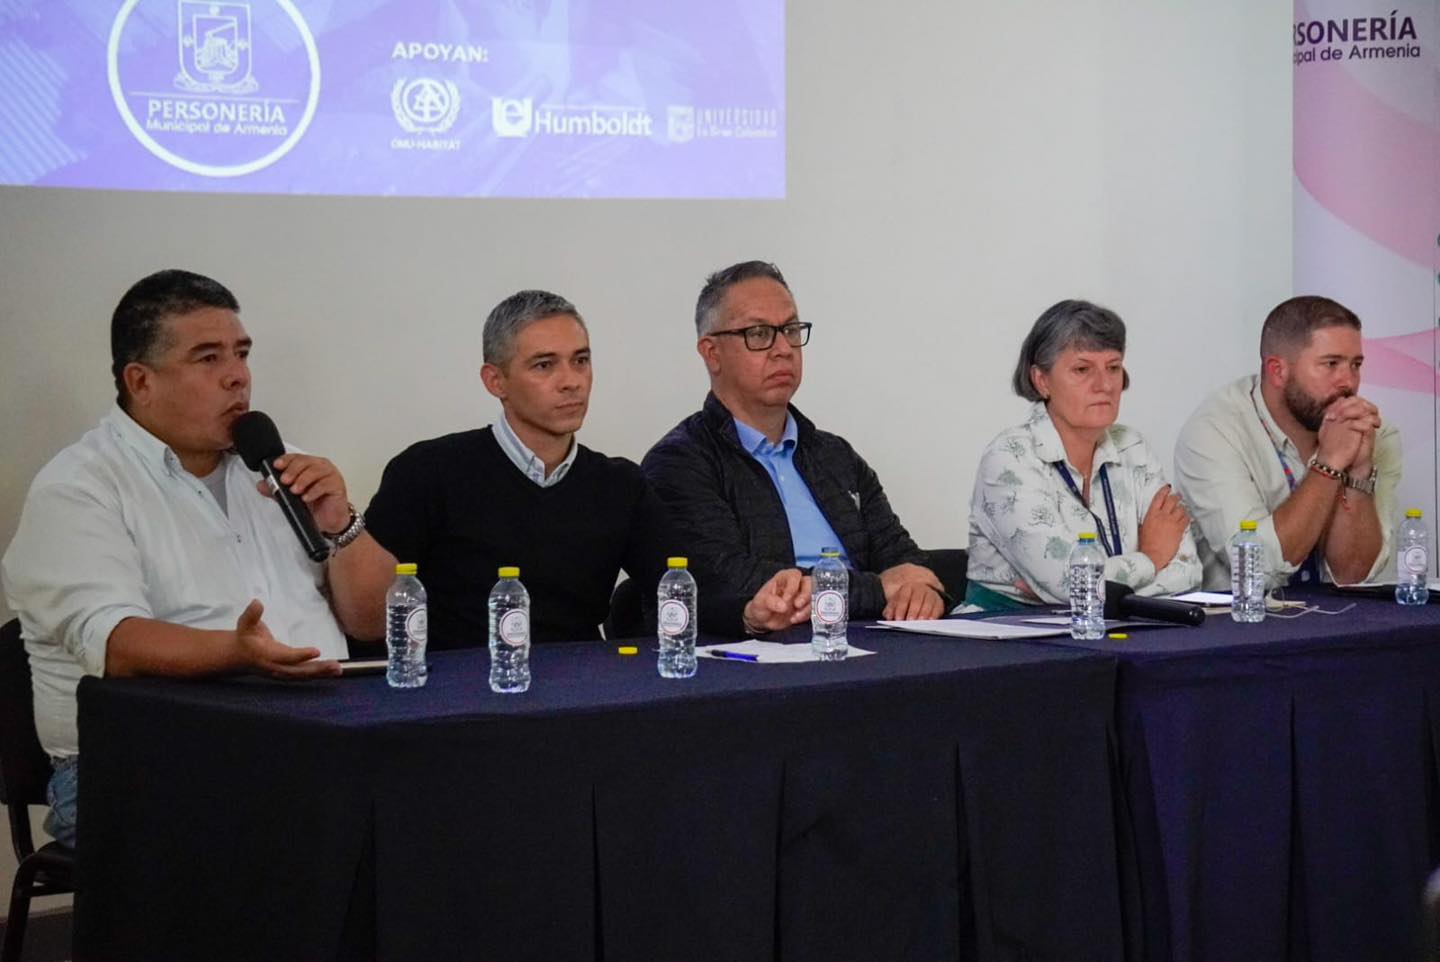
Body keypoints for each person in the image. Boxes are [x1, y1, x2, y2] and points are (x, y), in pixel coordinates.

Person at [1, 269, 359, 849]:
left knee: (432, 803)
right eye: (208, 358)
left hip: (314, 738)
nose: (237, 375)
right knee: (301, 834)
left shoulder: (280, 466)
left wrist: (342, 523)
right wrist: (238, 655)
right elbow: (117, 643)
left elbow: (371, 620)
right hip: (140, 762)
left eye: (241, 354)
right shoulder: (78, 487)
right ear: (140, 381)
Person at [329, 289, 802, 645]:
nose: (571, 382)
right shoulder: (429, 471)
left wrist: (749, 612)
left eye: (580, 361)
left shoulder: (618, 485)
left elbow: (682, 589)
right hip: (455, 696)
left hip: (578, 697)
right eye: (544, 366)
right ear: (495, 381)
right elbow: (368, 621)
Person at [641, 261, 945, 630]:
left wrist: (922, 591)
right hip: (767, 648)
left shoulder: (835, 456)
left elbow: (905, 561)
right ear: (712, 353)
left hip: (872, 638)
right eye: (759, 334)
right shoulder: (679, 462)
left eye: (790, 330)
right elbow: (736, 582)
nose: (783, 348)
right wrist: (880, 590)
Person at [966, 300, 1201, 609]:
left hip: (1117, 623)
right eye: (1082, 369)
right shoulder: (1009, 458)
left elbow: (1188, 573)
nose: (1104, 385)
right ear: (1042, 380)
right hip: (1009, 629)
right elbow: (1069, 584)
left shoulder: (1132, 447)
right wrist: (1152, 557)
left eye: (1113, 367)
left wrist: (1085, 592)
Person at [1174, 295, 1400, 590]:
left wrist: (1358, 473)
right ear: (1278, 370)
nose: (1348, 382)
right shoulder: (1213, 432)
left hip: (1339, 616)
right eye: (1331, 364)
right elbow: (1256, 569)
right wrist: (1328, 464)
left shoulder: (1374, 433)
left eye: (1355, 365)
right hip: (1242, 616)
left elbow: (1353, 576)